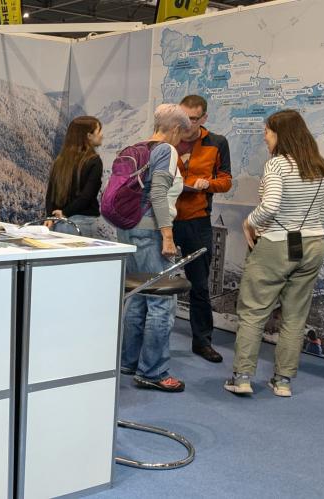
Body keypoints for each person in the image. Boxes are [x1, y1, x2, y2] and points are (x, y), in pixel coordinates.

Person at [225, 109, 324, 398]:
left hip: (275, 244)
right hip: (313, 244)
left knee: (253, 313)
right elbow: (323, 213)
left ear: (281, 135)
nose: (265, 139)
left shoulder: (277, 166)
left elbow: (270, 206)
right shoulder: (320, 167)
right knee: (296, 317)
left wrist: (249, 222)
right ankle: (283, 382)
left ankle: (243, 377)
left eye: (268, 134)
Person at [117, 104, 191, 392]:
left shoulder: (138, 147)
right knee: (161, 302)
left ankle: (129, 360)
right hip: (151, 232)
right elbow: (159, 194)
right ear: (174, 129)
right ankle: (153, 371)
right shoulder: (167, 151)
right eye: (181, 133)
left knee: (137, 296)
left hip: (128, 229)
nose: (180, 140)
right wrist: (168, 235)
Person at [173, 95, 232, 363]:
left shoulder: (217, 143)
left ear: (204, 118)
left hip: (198, 221)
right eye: (183, 117)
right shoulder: (168, 140)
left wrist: (204, 184)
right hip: (166, 219)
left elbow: (226, 181)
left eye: (193, 119)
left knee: (199, 286)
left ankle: (202, 342)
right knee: (153, 279)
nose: (187, 123)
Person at [44, 116, 103, 238]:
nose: (102, 135)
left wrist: (50, 216)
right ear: (88, 136)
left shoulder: (59, 161)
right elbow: (87, 196)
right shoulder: (94, 161)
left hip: (57, 224)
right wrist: (66, 212)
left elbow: (50, 194)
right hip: (82, 224)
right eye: (99, 131)